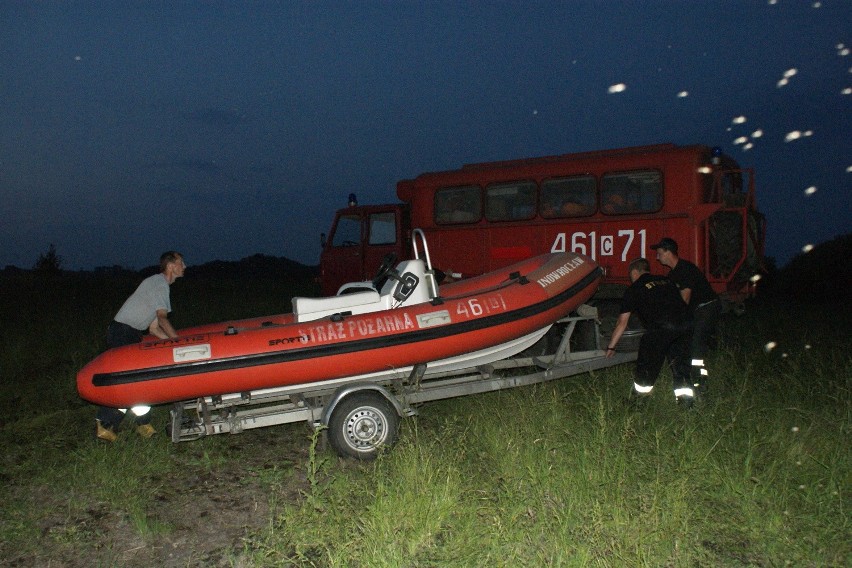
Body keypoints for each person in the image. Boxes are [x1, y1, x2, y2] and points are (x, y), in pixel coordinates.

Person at [95, 251, 186, 442]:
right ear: (171, 266)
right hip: (122, 333)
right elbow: (162, 318)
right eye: (181, 263)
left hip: (129, 333)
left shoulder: (156, 284)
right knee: (126, 382)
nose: (184, 266)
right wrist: (179, 343)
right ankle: (104, 424)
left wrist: (170, 344)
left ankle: (143, 424)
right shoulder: (160, 284)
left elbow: (153, 328)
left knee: (139, 382)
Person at [606, 257, 694, 406]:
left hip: (661, 327)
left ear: (634, 272)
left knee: (647, 365)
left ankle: (638, 402)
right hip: (686, 324)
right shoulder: (666, 280)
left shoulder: (634, 288)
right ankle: (686, 403)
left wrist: (611, 347)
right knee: (680, 365)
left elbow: (622, 323)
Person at [651, 237, 721, 393]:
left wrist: (672, 323)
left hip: (707, 307)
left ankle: (700, 383)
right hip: (696, 310)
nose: (657, 256)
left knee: (695, 345)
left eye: (659, 253)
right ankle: (694, 376)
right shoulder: (672, 275)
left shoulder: (685, 269)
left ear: (668, 252)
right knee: (689, 342)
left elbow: (684, 299)